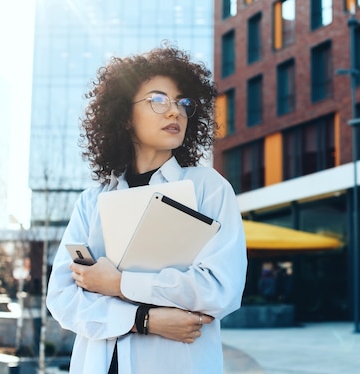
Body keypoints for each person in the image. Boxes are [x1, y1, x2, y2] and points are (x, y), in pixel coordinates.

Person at [46, 44, 247, 374]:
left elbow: (218, 289)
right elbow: (64, 298)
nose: (175, 112)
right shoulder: (91, 200)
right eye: (158, 100)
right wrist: (144, 319)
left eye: (184, 103)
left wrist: (117, 284)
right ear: (125, 116)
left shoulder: (208, 189)